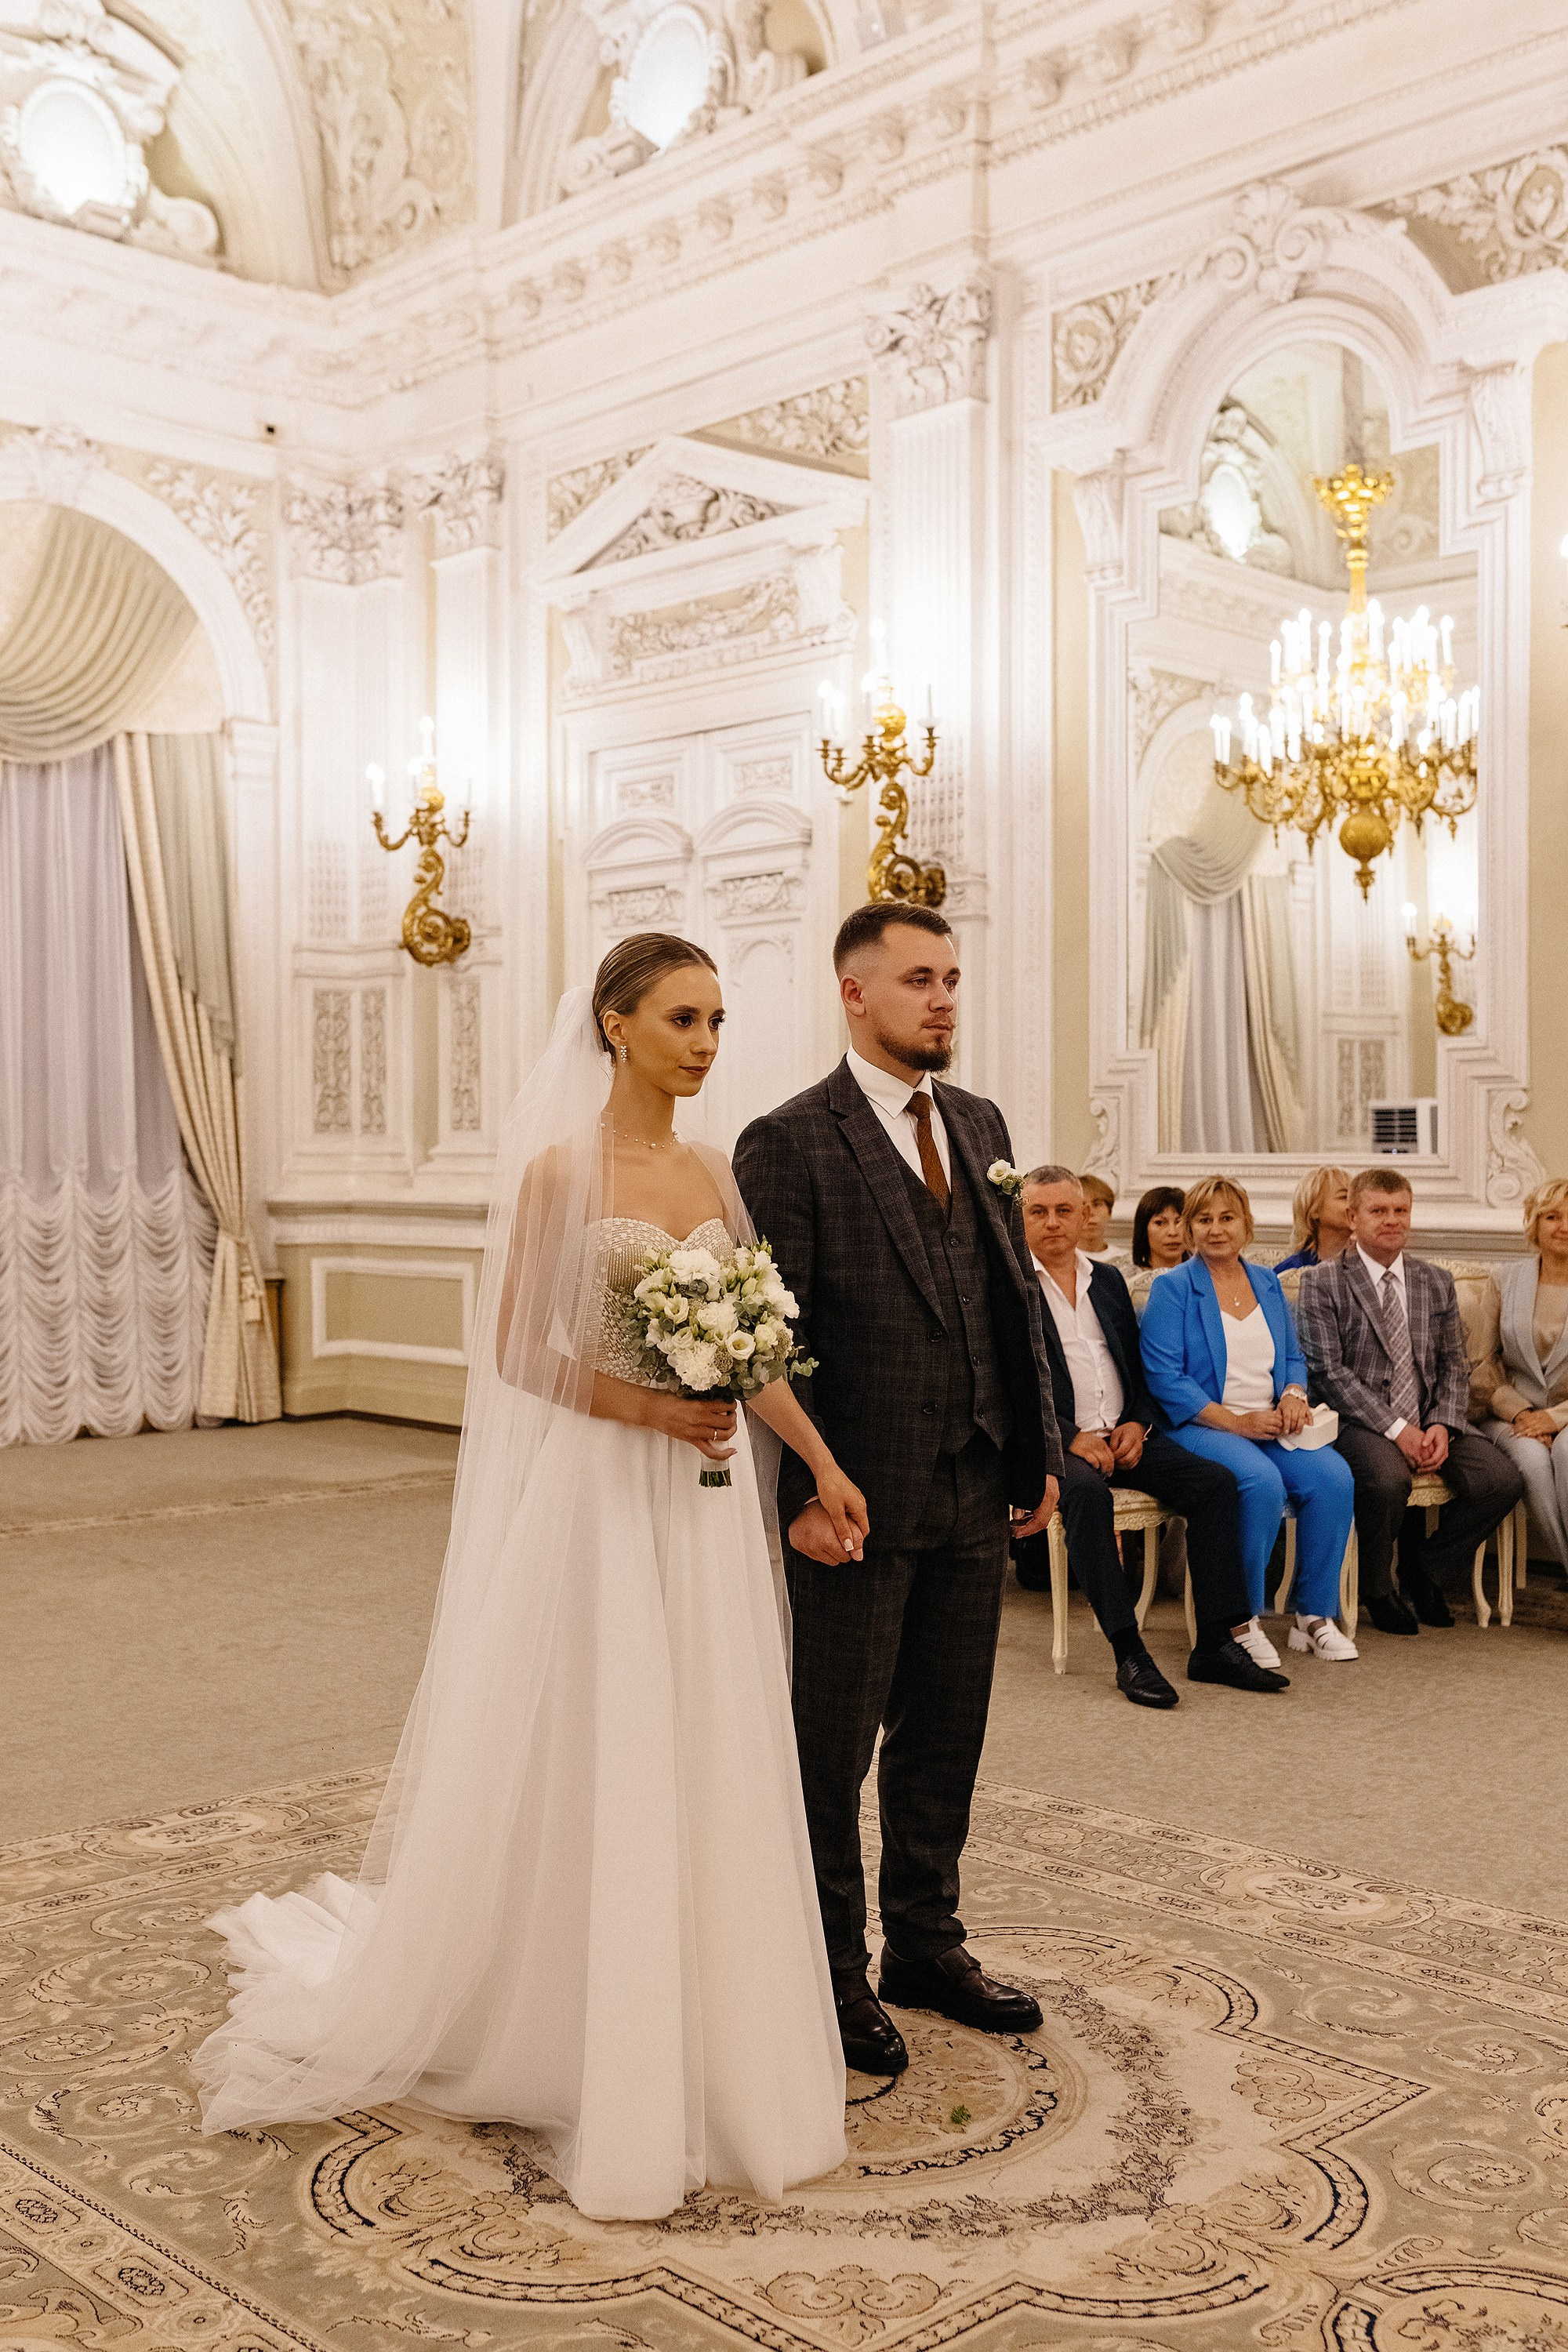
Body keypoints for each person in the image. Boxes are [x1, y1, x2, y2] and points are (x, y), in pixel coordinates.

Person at [194, 935, 867, 2220]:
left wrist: (822, 1464)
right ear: (615, 1025)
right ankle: (570, 2017)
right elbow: (515, 1353)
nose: (707, 1044)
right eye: (683, 1018)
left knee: (711, 1736)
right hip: (608, 1489)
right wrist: (647, 1409)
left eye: (718, 1021)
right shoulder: (564, 1172)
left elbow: (755, 1352)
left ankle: (719, 2034)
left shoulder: (717, 1171)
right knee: (603, 1734)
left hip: (710, 1504)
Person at [733, 903, 1061, 2082]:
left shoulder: (978, 1122)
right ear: (854, 992)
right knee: (831, 1748)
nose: (944, 1000)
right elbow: (775, 1341)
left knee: (945, 1737)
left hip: (976, 1484)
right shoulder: (789, 1142)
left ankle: (927, 1943)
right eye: (919, 979)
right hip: (852, 1500)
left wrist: (1038, 1454)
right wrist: (799, 1495)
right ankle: (829, 1972)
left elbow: (1012, 1297)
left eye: (955, 979)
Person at [1014, 1167, 1285, 1703]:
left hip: (1125, 1435)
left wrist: (1138, 1422)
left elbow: (1139, 1374)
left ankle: (1215, 1642)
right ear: (1019, 1219)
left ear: (1084, 1215)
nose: (1052, 1223)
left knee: (1216, 1482)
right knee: (1088, 1497)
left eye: (1064, 1210)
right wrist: (1069, 1437)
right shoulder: (1006, 1289)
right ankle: (1129, 1652)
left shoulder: (1108, 1281)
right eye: (1038, 1212)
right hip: (1053, 1441)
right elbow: (1007, 1386)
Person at [1297, 1167, 1525, 1635]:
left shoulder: (1433, 1281)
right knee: (1385, 1479)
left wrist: (1442, 1424)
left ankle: (1426, 1570)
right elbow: (1328, 1373)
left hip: (1429, 1416)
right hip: (1359, 1421)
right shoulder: (1322, 1282)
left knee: (1500, 1479)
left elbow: (1453, 1365)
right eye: (1378, 1210)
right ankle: (1377, 1587)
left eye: (1400, 1210)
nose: (1392, 1220)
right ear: (1354, 1217)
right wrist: (1398, 1431)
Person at [1141, 1175, 1358, 1664]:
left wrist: (1293, 1394)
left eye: (1227, 1218)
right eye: (1204, 1219)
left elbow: (1294, 1357)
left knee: (1333, 1477)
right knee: (1259, 1482)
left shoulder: (1266, 1282)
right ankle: (1243, 1618)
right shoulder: (1173, 1290)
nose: (1216, 1230)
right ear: (1192, 1228)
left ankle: (1314, 1617)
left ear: (1247, 1225)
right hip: (1202, 1426)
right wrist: (1238, 1424)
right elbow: (1164, 1378)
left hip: (1272, 1424)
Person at [1475, 1178, 1568, 1568]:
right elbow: (1481, 1363)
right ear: (1534, 1223)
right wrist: (1522, 1413)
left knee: (1567, 1451)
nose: (1564, 1226)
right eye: (1553, 1216)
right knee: (1530, 1461)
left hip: (1565, 1415)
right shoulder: (1504, 1279)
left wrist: (1555, 1417)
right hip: (1512, 1415)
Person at [1275, 1165, 1353, 1272]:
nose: (1355, 1204)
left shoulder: (1372, 1262)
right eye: (1344, 1197)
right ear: (1314, 1210)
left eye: (1355, 1197)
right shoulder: (1290, 1271)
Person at [1133, 1185, 1188, 1272]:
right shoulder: (1125, 1281)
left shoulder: (1207, 1279)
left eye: (1180, 1222)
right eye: (1160, 1223)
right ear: (1144, 1229)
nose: (1172, 1232)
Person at [1080, 1172, 1126, 1262]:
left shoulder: (1126, 1260)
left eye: (1097, 1205)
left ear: (1110, 1212)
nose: (1090, 1213)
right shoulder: (1060, 1260)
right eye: (1082, 1205)